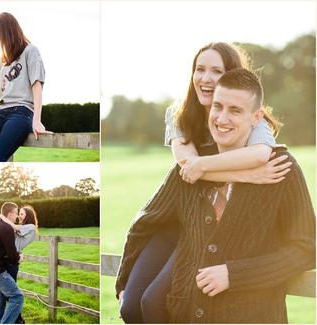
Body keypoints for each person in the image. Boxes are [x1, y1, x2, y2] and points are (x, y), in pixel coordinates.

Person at [116, 68, 315, 323]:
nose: (222, 118)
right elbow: (146, 223)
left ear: (256, 118)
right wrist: (124, 286)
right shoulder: (192, 167)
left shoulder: (281, 170)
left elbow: (306, 249)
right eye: (218, 106)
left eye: (235, 110)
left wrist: (235, 275)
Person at [0, 12, 52, 162]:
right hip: (0, 112)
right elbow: (4, 92)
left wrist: (37, 120)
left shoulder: (30, 51)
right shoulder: (4, 59)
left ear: (6, 31)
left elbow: (36, 86)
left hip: (21, 113)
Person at [0, 205, 39, 324]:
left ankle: (16, 319)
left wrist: (1, 216)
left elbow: (13, 226)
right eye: (19, 213)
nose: (19, 215)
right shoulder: (21, 228)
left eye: (22, 214)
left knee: (11, 293)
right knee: (4, 292)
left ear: (28, 216)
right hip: (8, 259)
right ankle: (15, 319)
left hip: (12, 261)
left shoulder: (31, 227)